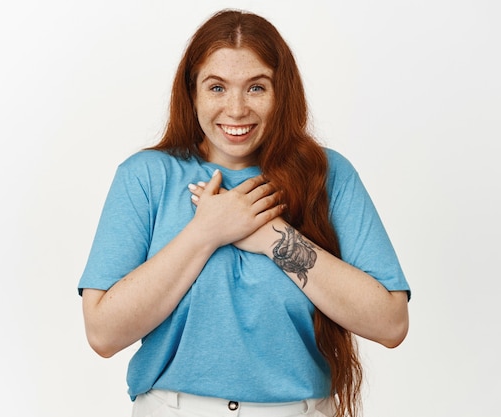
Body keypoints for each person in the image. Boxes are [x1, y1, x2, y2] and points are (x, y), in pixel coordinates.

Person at [78, 9, 410, 417]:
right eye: (217, 88)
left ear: (281, 93)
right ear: (192, 93)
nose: (236, 109)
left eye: (256, 87)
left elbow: (390, 324)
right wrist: (207, 232)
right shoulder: (145, 177)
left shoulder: (329, 175)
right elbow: (103, 333)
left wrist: (271, 237)